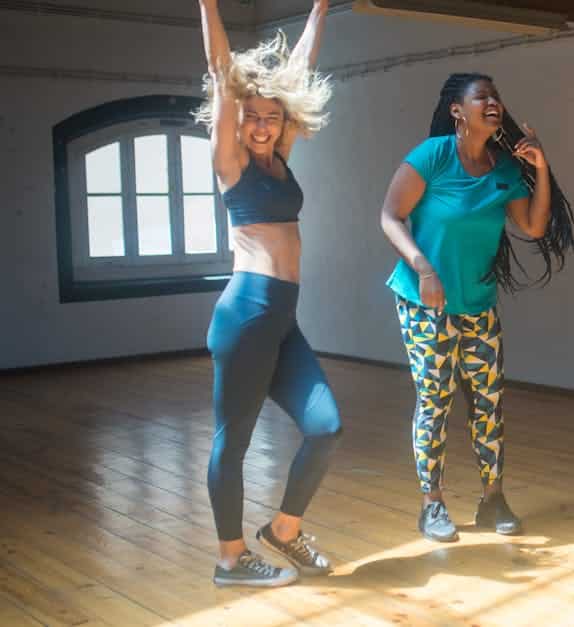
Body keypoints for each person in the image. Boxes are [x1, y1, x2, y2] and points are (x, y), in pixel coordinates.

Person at [380, 72, 574, 543]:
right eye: (480, 96)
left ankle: (493, 500)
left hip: (477, 304)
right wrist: (424, 267)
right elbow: (390, 215)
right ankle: (433, 506)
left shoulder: (505, 168)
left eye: (495, 96)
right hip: (423, 301)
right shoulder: (433, 157)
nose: (492, 102)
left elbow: (532, 226)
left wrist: (542, 168)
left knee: (488, 404)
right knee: (435, 400)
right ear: (457, 111)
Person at [196, 0, 341, 587]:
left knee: (326, 426)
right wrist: (208, 4)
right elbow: (220, 70)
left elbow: (301, 68)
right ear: (238, 120)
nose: (261, 125)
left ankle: (282, 532)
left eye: (271, 118)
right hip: (245, 316)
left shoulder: (281, 158)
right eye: (251, 116)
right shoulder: (231, 161)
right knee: (233, 442)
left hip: (283, 320)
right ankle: (230, 559)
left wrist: (319, 9)